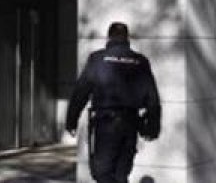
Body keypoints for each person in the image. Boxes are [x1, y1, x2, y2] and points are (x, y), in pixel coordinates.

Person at [65, 22, 162, 183]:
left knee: (102, 173)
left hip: (105, 124)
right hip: (131, 124)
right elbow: (152, 98)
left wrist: (71, 121)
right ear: (127, 38)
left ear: (109, 37)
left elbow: (80, 92)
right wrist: (152, 127)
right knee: (121, 174)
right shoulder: (140, 61)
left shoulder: (97, 59)